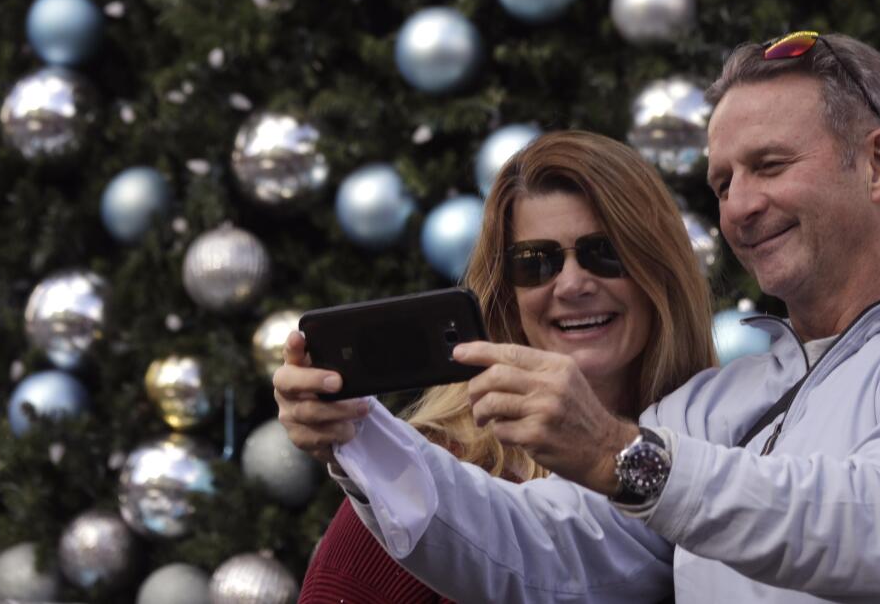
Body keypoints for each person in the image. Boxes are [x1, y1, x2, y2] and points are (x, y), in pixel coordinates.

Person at [275, 31, 880, 603]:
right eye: (723, 180)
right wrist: (359, 432)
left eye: (769, 165)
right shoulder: (713, 405)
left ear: (879, 162)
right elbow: (537, 557)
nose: (741, 205)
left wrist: (616, 452)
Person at [293, 130, 716, 604]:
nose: (573, 284)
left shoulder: (719, 458)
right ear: (507, 298)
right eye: (536, 262)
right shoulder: (420, 478)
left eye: (606, 253)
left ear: (660, 270)